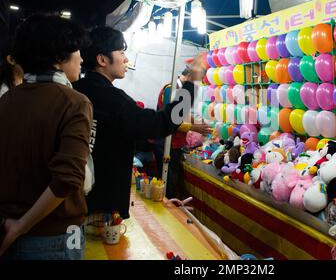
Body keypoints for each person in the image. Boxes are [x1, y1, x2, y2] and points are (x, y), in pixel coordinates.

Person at [73, 26, 204, 221]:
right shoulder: (113, 100)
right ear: (102, 60)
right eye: (121, 53)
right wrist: (191, 84)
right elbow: (163, 123)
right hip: (102, 206)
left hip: (75, 199)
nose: (126, 59)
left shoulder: (75, 91)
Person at [0, 14, 93, 260]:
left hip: (7, 230)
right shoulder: (75, 102)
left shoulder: (7, 99)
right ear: (58, 57)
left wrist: (12, 224)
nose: (82, 58)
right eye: (76, 50)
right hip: (56, 239)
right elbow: (67, 179)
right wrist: (22, 226)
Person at [155, 62, 211, 199]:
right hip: (166, 142)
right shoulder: (171, 89)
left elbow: (181, 114)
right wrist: (194, 127)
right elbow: (170, 119)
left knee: (173, 178)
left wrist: (196, 121)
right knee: (168, 179)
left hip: (176, 142)